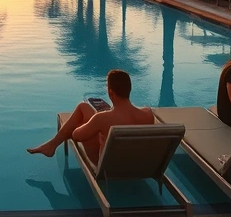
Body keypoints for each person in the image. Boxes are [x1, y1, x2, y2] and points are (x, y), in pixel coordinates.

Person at [26, 70, 154, 164]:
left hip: (109, 166)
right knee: (84, 107)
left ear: (110, 92)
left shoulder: (102, 119)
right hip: (137, 164)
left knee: (84, 117)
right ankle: (51, 145)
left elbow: (76, 136)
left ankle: (52, 145)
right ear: (129, 89)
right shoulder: (148, 113)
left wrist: (93, 124)